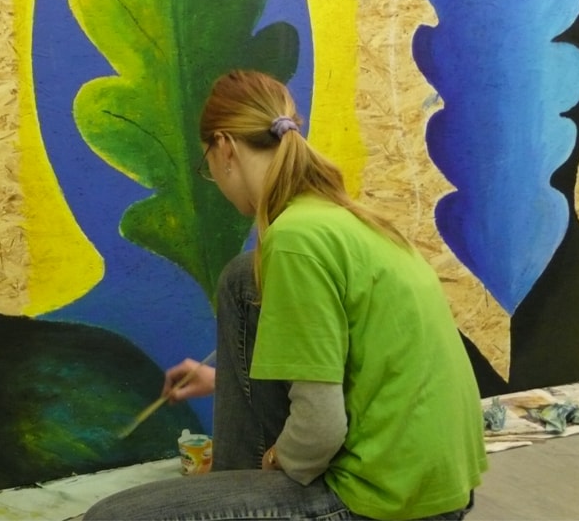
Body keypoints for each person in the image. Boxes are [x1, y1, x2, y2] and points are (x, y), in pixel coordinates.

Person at [83, 70, 487, 520]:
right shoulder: (340, 219)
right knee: (243, 279)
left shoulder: (294, 238)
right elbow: (355, 371)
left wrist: (276, 460)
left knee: (111, 518)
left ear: (224, 148)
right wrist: (225, 382)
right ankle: (234, 485)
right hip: (438, 482)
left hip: (389, 502)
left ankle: (238, 488)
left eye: (206, 164)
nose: (212, 175)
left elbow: (320, 430)